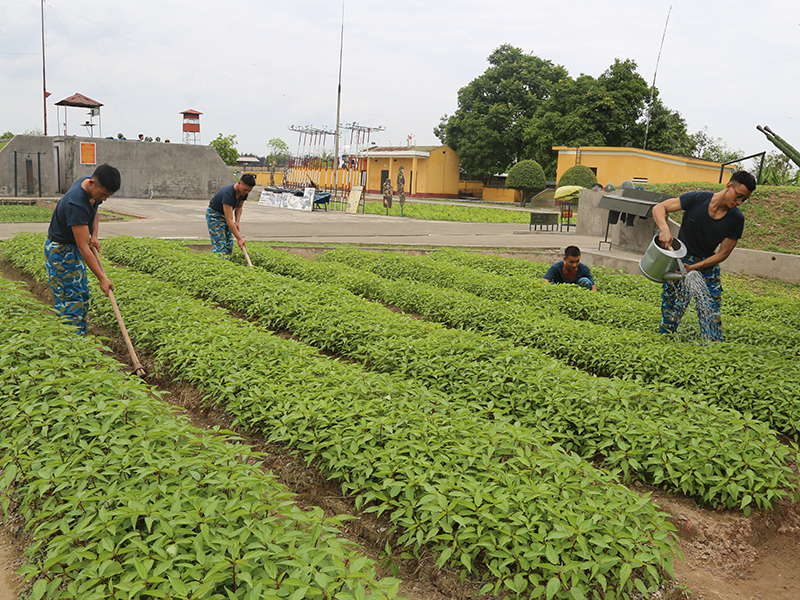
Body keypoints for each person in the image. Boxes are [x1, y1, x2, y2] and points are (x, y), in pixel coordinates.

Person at [651, 170, 756, 341]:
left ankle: (712, 351)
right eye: (739, 196)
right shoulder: (697, 199)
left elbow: (723, 253)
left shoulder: (736, 218)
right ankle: (664, 343)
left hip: (707, 265)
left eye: (744, 199)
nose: (739, 202)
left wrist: (695, 267)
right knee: (671, 311)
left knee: (711, 314)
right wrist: (664, 228)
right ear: (729, 186)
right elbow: (659, 207)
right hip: (680, 262)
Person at [44, 164, 121, 335]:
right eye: (103, 194)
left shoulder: (91, 185)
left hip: (73, 249)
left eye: (108, 196)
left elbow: (94, 209)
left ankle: (81, 340)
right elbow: (83, 247)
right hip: (62, 252)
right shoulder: (76, 202)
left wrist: (94, 234)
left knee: (83, 296)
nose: (104, 199)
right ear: (92, 183)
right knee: (71, 301)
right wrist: (102, 278)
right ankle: (71, 343)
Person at [206, 173, 256, 258]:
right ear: (239, 183)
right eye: (245, 189)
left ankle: (227, 263)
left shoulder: (244, 192)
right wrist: (239, 239)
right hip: (215, 215)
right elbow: (229, 221)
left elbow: (239, 206)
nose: (247, 192)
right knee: (220, 245)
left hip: (225, 216)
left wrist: (237, 222)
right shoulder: (228, 194)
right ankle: (219, 266)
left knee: (229, 245)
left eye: (249, 191)